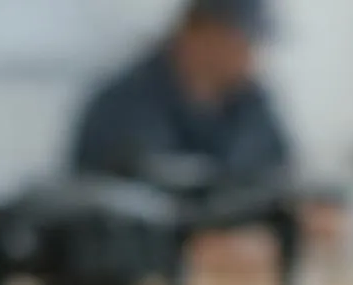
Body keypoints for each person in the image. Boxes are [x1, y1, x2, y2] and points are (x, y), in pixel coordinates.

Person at [70, 0, 291, 184]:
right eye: (241, 42)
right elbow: (113, 205)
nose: (250, 57)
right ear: (197, 32)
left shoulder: (250, 102)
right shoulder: (121, 106)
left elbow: (280, 172)